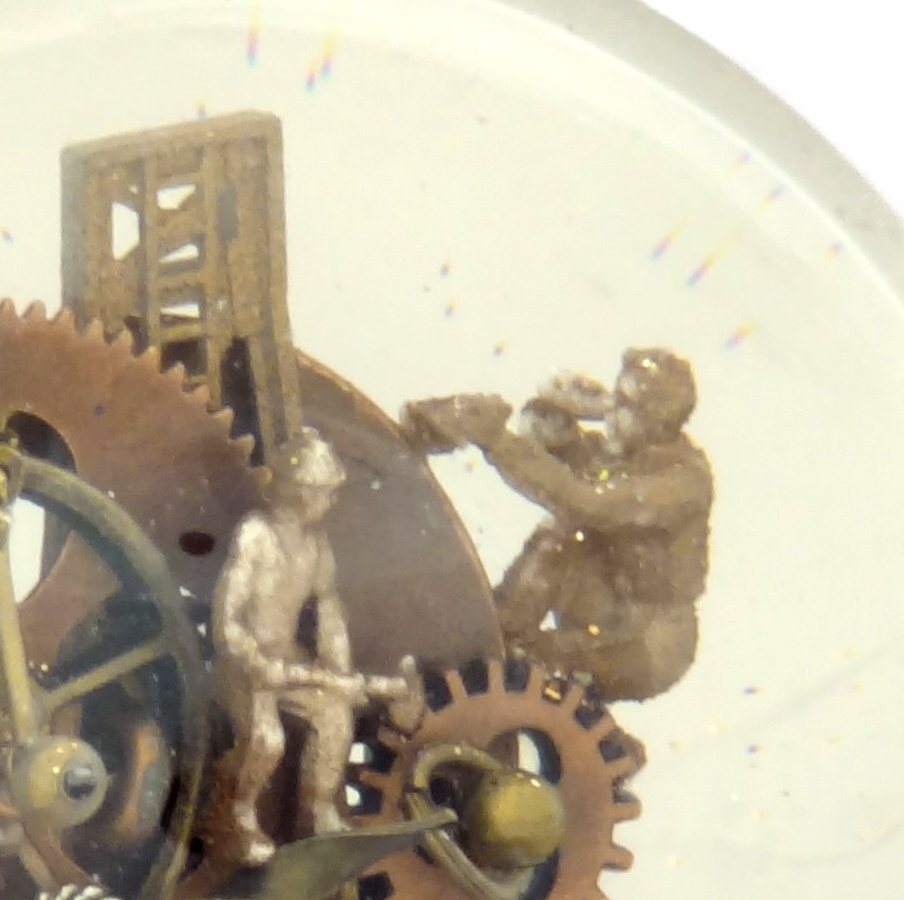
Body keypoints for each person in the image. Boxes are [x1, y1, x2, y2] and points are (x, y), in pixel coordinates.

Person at [404, 348, 715, 701]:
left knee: (566, 530)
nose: (613, 411)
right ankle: (495, 631)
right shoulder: (619, 453)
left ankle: (496, 651)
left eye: (626, 404)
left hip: (643, 644)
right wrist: (550, 414)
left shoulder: (683, 481)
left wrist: (496, 439)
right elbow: (554, 459)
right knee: (560, 535)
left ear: (659, 420)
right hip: (602, 612)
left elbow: (585, 500)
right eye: (617, 396)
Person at [209, 430, 418, 863]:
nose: (331, 501)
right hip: (243, 664)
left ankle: (318, 809)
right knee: (266, 739)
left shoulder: (316, 545)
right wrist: (253, 660)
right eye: (326, 492)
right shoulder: (255, 534)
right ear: (302, 492)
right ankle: (238, 815)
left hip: (288, 660)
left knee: (334, 715)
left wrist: (340, 673)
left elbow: (329, 610)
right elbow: (226, 620)